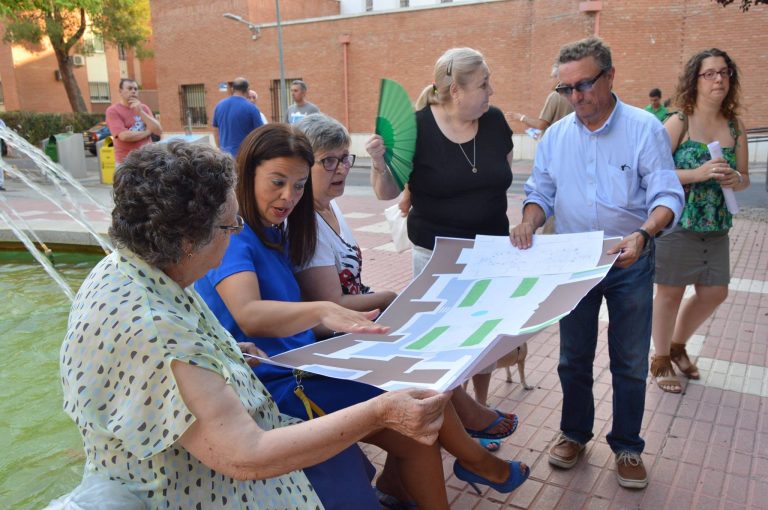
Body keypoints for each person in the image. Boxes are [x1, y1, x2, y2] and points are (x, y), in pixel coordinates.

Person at [59, 140, 455, 509]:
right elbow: (244, 456)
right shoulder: (155, 331)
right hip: (209, 490)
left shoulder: (127, 266)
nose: (234, 237)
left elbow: (170, 369)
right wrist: (381, 412)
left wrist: (227, 353)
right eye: (229, 227)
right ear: (186, 240)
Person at [195, 124, 529, 507]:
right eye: (277, 182)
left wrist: (354, 323)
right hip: (279, 380)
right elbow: (249, 315)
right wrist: (327, 311)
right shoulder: (236, 235)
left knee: (416, 430)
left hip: (306, 364)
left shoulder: (274, 231)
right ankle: (477, 460)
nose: (289, 196)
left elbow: (296, 321)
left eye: (299, 185)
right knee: (414, 399)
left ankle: (466, 461)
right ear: (247, 173)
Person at [510, 37, 684, 489]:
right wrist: (530, 219)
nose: (575, 97)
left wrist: (644, 234)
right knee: (573, 358)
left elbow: (667, 194)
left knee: (628, 360)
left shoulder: (645, 129)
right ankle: (573, 433)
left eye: (583, 84)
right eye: (565, 89)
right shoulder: (557, 137)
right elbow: (541, 191)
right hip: (574, 263)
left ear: (609, 76)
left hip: (631, 259)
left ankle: (627, 445)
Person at [366, 47, 517, 450]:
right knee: (446, 344)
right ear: (454, 90)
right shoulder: (415, 129)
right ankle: (451, 423)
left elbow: (500, 173)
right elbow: (388, 191)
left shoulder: (496, 121)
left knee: (486, 338)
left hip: (491, 254)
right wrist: (381, 163)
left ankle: (479, 416)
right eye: (484, 83)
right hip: (438, 259)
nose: (491, 90)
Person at [650, 49, 750, 394]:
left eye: (724, 72)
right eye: (709, 73)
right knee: (669, 293)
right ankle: (661, 359)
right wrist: (698, 172)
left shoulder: (735, 126)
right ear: (695, 80)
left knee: (715, 292)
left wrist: (735, 179)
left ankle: (677, 346)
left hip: (717, 224)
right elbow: (653, 173)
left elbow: (746, 177)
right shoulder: (679, 121)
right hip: (679, 221)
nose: (718, 79)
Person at [294, 113, 397, 320]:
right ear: (302, 165)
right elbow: (333, 302)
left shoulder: (330, 204)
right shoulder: (303, 224)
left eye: (344, 158)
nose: (342, 169)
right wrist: (389, 297)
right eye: (329, 161)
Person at [105, 78, 162, 163]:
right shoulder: (113, 111)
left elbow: (158, 130)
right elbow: (124, 136)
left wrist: (141, 112)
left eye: (135, 89)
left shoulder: (144, 108)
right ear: (120, 91)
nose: (133, 91)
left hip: (147, 159)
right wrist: (147, 132)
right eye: (130, 88)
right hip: (126, 162)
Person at [509, 66, 574, 138]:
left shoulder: (555, 96)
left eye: (551, 77)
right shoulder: (575, 95)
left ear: (559, 78)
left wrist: (521, 118)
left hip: (554, 143)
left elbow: (541, 125)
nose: (549, 80)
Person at [212, 77, 264, 156]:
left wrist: (219, 147)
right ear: (247, 89)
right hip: (244, 156)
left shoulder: (219, 105)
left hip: (225, 156)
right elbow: (261, 133)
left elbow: (215, 130)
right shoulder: (252, 108)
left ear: (232, 89)